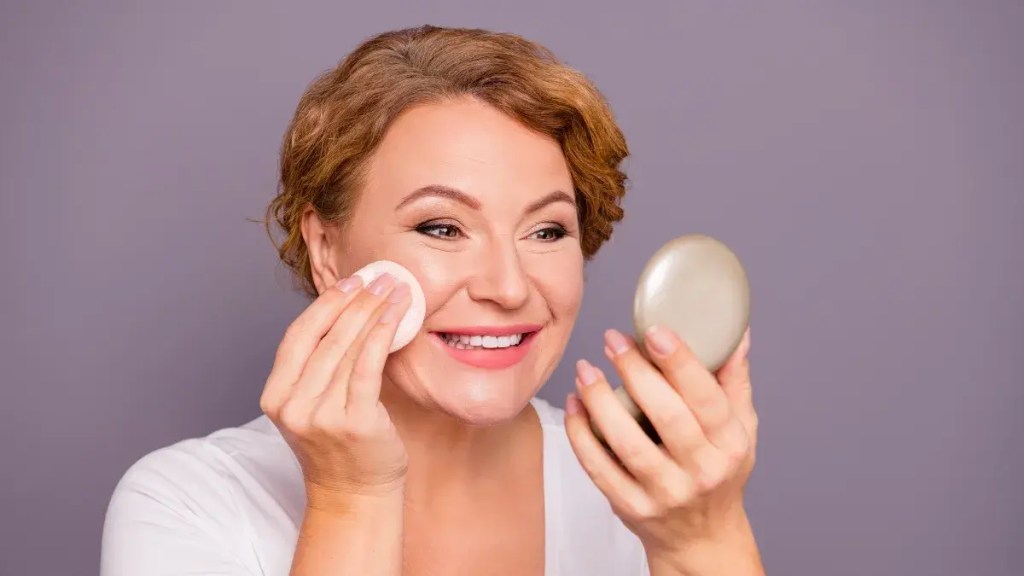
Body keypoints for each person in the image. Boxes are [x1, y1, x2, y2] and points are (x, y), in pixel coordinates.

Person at [100, 24, 764, 576]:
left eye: (546, 230)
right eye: (441, 228)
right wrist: (350, 500)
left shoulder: (659, 494)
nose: (507, 288)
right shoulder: (186, 505)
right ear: (327, 249)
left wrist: (704, 541)